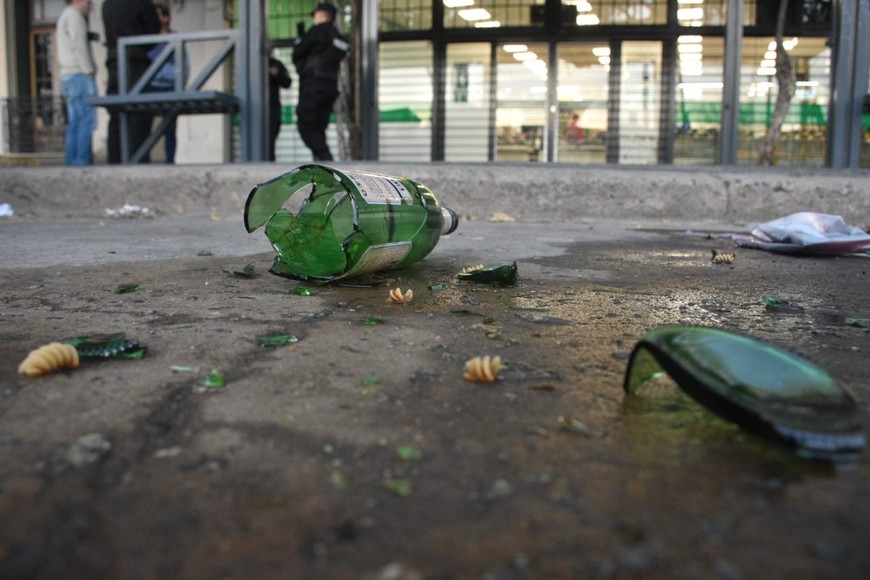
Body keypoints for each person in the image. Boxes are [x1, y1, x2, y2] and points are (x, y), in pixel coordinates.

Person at [102, 0, 161, 163]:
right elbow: (153, 30)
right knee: (139, 115)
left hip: (114, 63)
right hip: (135, 63)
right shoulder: (140, 2)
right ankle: (136, 163)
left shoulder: (107, 3)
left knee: (116, 115)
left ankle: (115, 163)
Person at [292, 2, 349, 161]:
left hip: (313, 85)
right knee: (318, 126)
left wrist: (301, 38)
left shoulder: (316, 31)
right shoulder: (336, 36)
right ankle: (322, 161)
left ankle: (325, 157)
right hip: (330, 86)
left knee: (305, 123)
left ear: (321, 15)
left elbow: (297, 53)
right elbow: (342, 49)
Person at [56, 0, 98, 166]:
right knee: (86, 120)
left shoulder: (65, 15)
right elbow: (80, 45)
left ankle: (72, 161)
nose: (90, 6)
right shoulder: (75, 16)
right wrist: (89, 70)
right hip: (78, 74)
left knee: (75, 121)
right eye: (88, 2)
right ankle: (82, 162)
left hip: (68, 74)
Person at [146, 3, 189, 163]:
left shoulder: (176, 40)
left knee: (170, 129)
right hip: (152, 89)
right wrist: (167, 72)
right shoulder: (148, 40)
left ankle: (170, 163)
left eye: (157, 14)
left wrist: (163, 73)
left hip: (171, 89)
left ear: (166, 18)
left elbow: (183, 68)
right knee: (146, 128)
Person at [268, 55, 292, 161]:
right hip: (254, 109)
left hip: (272, 107)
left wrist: (276, 74)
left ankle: (268, 165)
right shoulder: (249, 64)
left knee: (269, 140)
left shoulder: (274, 64)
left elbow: (287, 82)